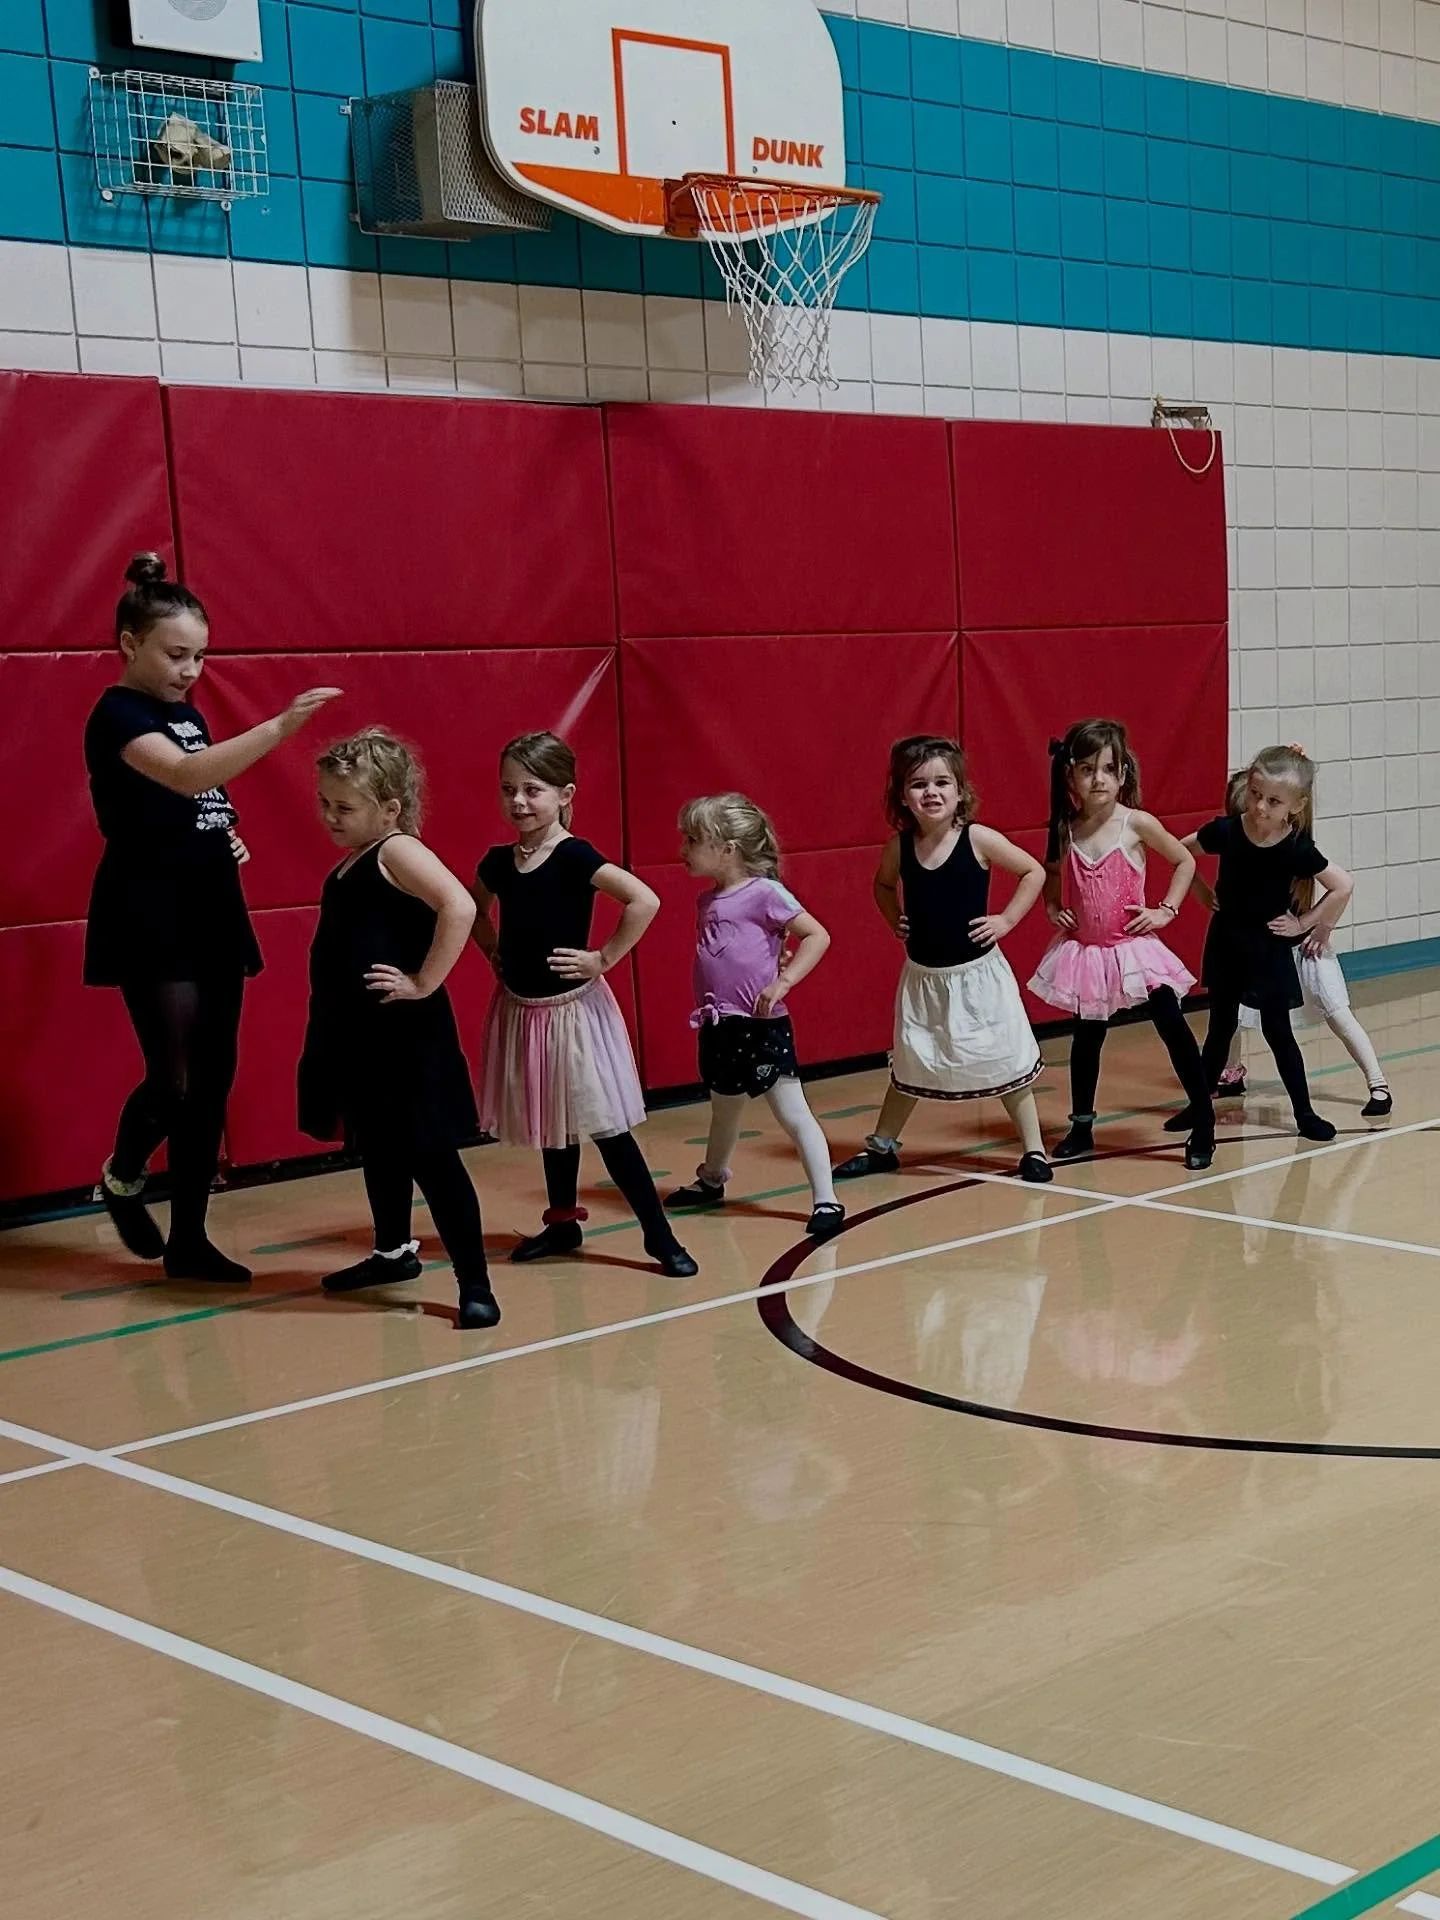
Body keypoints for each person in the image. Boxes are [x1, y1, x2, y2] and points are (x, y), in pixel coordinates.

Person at [84, 553, 339, 1282]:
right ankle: (123, 1176)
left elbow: (200, 797)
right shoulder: (118, 714)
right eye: (175, 655)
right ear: (130, 644)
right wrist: (282, 726)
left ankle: (189, 1240)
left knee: (213, 1078)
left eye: (199, 656)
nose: (190, 670)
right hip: (149, 910)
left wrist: (221, 831)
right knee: (174, 1079)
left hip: (211, 905)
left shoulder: (187, 716)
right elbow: (185, 773)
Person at [472, 731, 698, 1277]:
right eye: (508, 789)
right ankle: (563, 1224)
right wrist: (493, 951)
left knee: (606, 1128)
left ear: (565, 794)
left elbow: (644, 899)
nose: (518, 801)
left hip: (572, 1014)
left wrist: (603, 958)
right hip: (523, 1010)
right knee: (554, 1121)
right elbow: (471, 908)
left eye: (533, 790)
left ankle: (660, 1236)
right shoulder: (499, 862)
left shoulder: (574, 856)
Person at [299, 729, 500, 1330]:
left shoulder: (397, 850)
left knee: (431, 1157)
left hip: (404, 1040)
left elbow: (460, 906)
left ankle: (475, 1283)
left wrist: (424, 981)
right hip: (359, 1035)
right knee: (382, 1148)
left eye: (345, 806)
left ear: (389, 808)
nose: (331, 816)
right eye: (325, 802)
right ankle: (392, 1254)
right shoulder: (355, 859)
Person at [835, 735, 1051, 1184]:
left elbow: (1033, 871)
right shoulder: (899, 847)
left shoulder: (978, 838)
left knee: (1005, 1059)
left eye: (941, 782)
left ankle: (1034, 1150)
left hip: (978, 979)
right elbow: (882, 885)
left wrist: (1007, 919)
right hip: (924, 979)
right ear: (902, 795)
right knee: (913, 1059)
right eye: (918, 784)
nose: (931, 792)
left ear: (960, 791)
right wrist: (894, 918)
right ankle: (882, 1146)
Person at [1028, 720, 1214, 1169]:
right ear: (1071, 775)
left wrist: (1166, 910)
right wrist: (1053, 906)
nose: (1099, 779)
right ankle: (1082, 1125)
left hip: (1134, 950)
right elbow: (1050, 873)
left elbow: (1184, 861)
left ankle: (1204, 1120)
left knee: (1172, 1025)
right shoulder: (1066, 829)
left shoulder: (1136, 823)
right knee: (1087, 1038)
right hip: (1088, 954)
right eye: (1087, 769)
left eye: (1108, 769)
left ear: (1123, 774)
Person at [664, 793, 844, 1240]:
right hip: (718, 1026)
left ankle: (826, 1198)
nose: (683, 849)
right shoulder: (706, 900)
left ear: (727, 848)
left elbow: (817, 935)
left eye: (692, 840)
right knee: (724, 1112)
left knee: (793, 1112)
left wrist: (783, 983)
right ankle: (711, 1178)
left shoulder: (765, 893)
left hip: (761, 1026)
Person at [1174, 745, 1355, 1143]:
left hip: (1268, 949)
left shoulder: (1296, 847)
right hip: (1227, 941)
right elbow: (1179, 852)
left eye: (1273, 801)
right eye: (1256, 795)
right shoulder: (1226, 831)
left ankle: (1304, 1113)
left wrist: (1303, 923)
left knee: (1279, 1033)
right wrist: (1200, 892)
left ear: (1296, 805)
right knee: (1219, 1029)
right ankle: (1199, 1107)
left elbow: (1342, 886)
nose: (1259, 807)